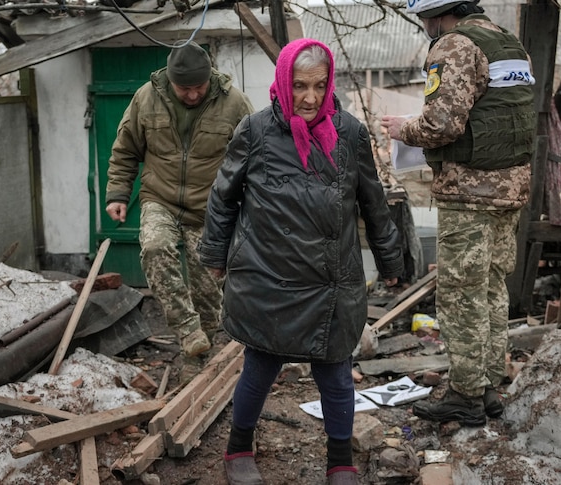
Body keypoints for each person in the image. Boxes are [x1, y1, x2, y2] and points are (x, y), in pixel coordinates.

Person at [197, 39, 404, 485]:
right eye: (300, 86)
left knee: (335, 373)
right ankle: (238, 450)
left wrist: (391, 261)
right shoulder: (254, 130)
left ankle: (340, 461)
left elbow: (373, 202)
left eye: (319, 86)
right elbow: (222, 198)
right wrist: (215, 255)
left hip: (331, 278)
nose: (310, 98)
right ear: (283, 84)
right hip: (267, 273)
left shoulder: (349, 133)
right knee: (260, 366)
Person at [381, 0, 537, 426]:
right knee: (489, 289)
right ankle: (486, 383)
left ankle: (465, 395)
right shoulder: (508, 43)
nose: (425, 26)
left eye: (424, 19)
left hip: (470, 193)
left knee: (461, 297)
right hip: (510, 189)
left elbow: (442, 125)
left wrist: (403, 129)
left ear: (436, 13)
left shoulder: (453, 44)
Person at [105, 41, 254, 362]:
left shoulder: (234, 104)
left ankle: (199, 353)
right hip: (161, 197)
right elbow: (126, 150)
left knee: (208, 286)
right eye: (183, 88)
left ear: (209, 77)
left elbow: (256, 159)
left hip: (212, 207)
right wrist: (118, 193)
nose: (191, 95)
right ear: (170, 80)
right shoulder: (146, 99)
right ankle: (187, 329)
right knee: (155, 247)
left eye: (198, 87)